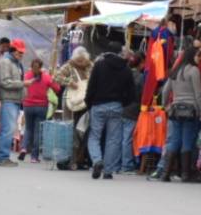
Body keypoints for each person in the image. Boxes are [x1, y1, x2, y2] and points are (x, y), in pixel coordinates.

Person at [85, 42, 136, 180]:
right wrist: (122, 103)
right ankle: (108, 171)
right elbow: (132, 92)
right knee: (113, 139)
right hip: (116, 106)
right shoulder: (126, 69)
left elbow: (91, 86)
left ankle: (97, 160)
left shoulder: (99, 65)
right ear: (120, 52)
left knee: (94, 136)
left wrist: (89, 103)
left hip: (98, 105)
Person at [157, 44, 201, 183]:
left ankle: (165, 173)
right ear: (191, 56)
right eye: (198, 55)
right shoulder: (194, 71)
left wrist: (165, 105)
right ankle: (185, 174)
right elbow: (198, 93)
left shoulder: (175, 70)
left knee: (174, 141)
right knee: (187, 141)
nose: (199, 58)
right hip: (191, 111)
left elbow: (165, 91)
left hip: (176, 110)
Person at [55, 46, 94, 170]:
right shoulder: (68, 66)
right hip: (71, 103)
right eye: (78, 60)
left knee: (83, 131)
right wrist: (69, 82)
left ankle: (81, 159)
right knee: (70, 130)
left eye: (83, 60)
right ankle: (70, 159)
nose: (81, 63)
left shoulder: (90, 66)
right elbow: (56, 77)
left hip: (86, 103)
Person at [0, 38, 25, 167]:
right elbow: (5, 82)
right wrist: (23, 84)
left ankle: (4, 156)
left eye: (22, 53)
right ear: (12, 50)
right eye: (19, 52)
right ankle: (2, 157)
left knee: (9, 129)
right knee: (8, 129)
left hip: (14, 99)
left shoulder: (15, 62)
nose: (21, 55)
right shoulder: (6, 62)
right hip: (8, 99)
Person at [20, 57, 56, 163]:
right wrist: (51, 79)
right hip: (42, 107)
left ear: (31, 66)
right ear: (41, 67)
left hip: (27, 105)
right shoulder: (46, 77)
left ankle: (24, 148)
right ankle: (34, 157)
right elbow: (57, 88)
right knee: (37, 131)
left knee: (28, 129)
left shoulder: (26, 75)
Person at [119, 49, 143, 174]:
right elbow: (141, 94)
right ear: (141, 64)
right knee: (127, 138)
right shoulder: (140, 77)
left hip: (121, 107)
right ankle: (126, 165)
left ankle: (117, 163)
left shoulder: (123, 73)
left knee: (119, 137)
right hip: (132, 109)